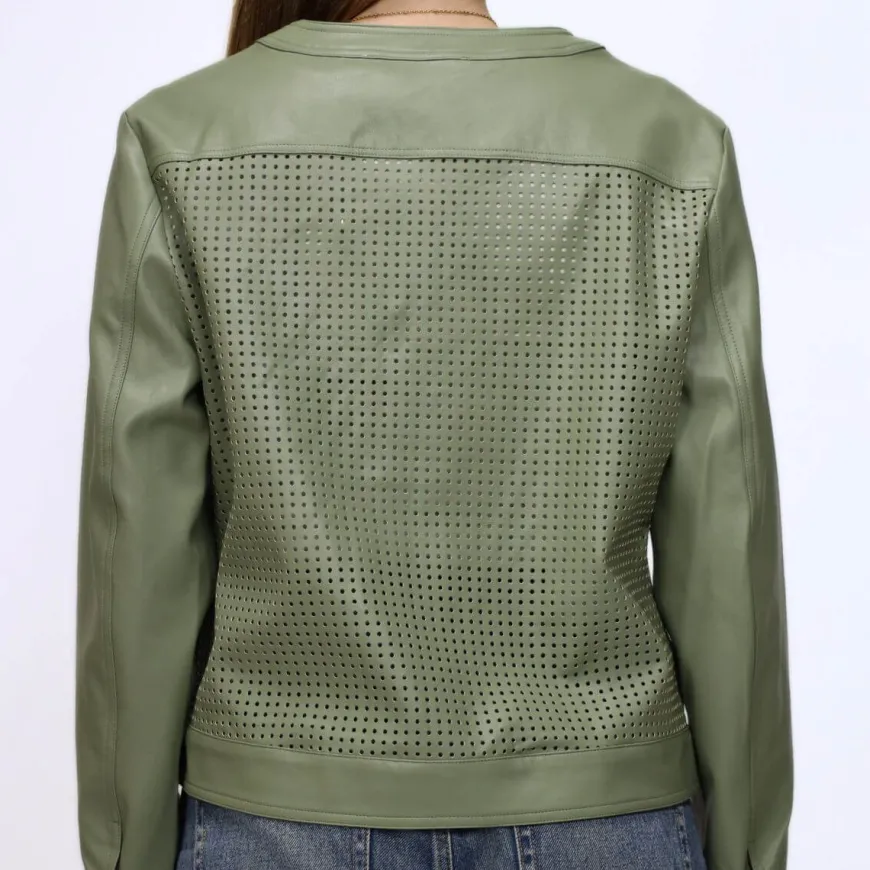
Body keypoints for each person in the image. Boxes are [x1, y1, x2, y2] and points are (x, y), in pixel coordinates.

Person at [75, 1, 794, 868]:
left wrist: (127, 850)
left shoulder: (179, 141)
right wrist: (749, 847)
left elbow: (137, 551)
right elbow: (728, 545)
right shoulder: (671, 146)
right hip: (601, 808)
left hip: (277, 814)